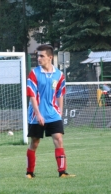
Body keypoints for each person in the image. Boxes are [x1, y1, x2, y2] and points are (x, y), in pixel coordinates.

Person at [26, 44, 75, 178]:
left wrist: (60, 111)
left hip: (53, 113)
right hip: (36, 114)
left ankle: (62, 172)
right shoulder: (34, 73)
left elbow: (60, 94)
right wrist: (38, 114)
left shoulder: (59, 75)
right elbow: (32, 95)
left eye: (42, 56)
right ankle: (29, 172)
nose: (38, 58)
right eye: (38, 56)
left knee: (58, 139)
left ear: (50, 57)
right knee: (35, 142)